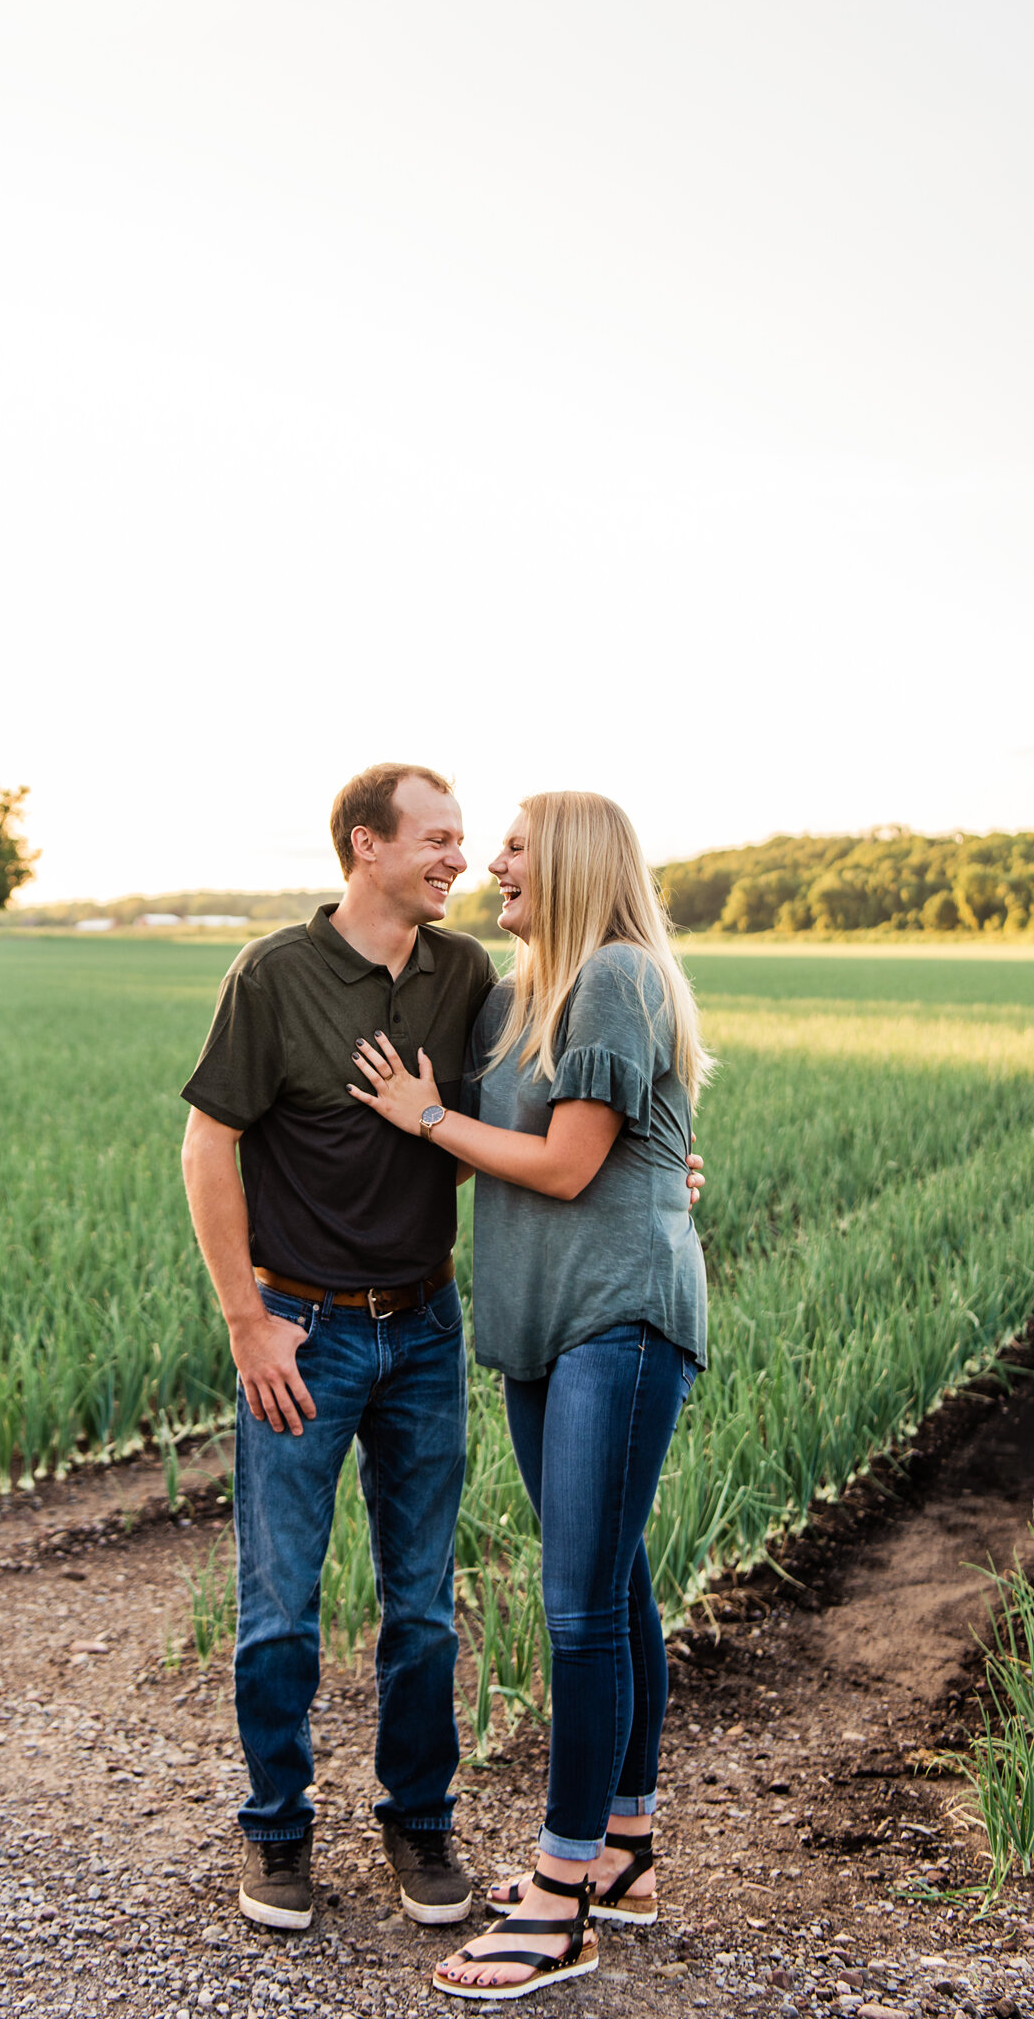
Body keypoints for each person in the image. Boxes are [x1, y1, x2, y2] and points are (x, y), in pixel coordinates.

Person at [349, 789, 711, 2001]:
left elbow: (565, 1163)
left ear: (564, 860)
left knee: (575, 1609)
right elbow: (638, 1139)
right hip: (540, 1328)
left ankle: (561, 1898)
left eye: (511, 845)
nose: (491, 863)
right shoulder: (517, 996)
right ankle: (624, 1846)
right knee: (611, 1582)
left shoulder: (613, 972)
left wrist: (430, 1114)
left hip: (618, 1312)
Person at [179, 763, 500, 1932]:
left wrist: (656, 1164)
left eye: (463, 841)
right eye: (438, 838)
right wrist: (247, 1320)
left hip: (422, 1325)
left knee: (420, 1604)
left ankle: (420, 1822)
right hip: (298, 1332)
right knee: (280, 1605)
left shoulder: (466, 973)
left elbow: (505, 1124)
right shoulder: (274, 973)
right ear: (366, 845)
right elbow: (207, 1147)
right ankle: (276, 1833)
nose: (458, 858)